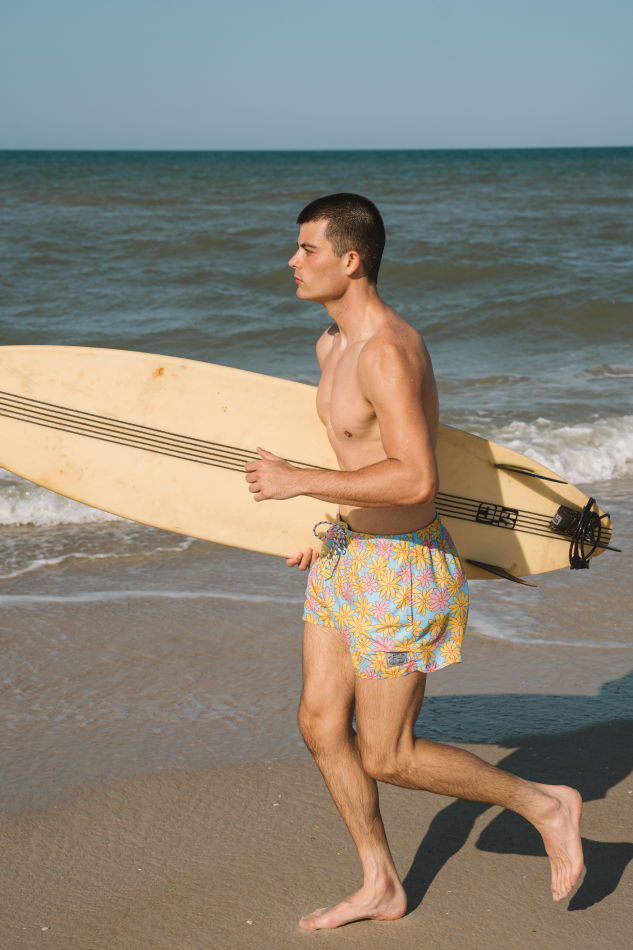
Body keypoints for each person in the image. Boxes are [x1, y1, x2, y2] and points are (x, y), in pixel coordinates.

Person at [244, 193, 583, 931]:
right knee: (319, 724)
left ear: (350, 260)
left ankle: (544, 803)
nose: (292, 261)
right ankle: (380, 884)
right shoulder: (331, 345)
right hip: (347, 553)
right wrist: (329, 526)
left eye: (307, 249)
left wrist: (298, 481)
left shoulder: (387, 352)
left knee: (387, 755)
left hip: (401, 567)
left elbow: (415, 479)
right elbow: (359, 461)